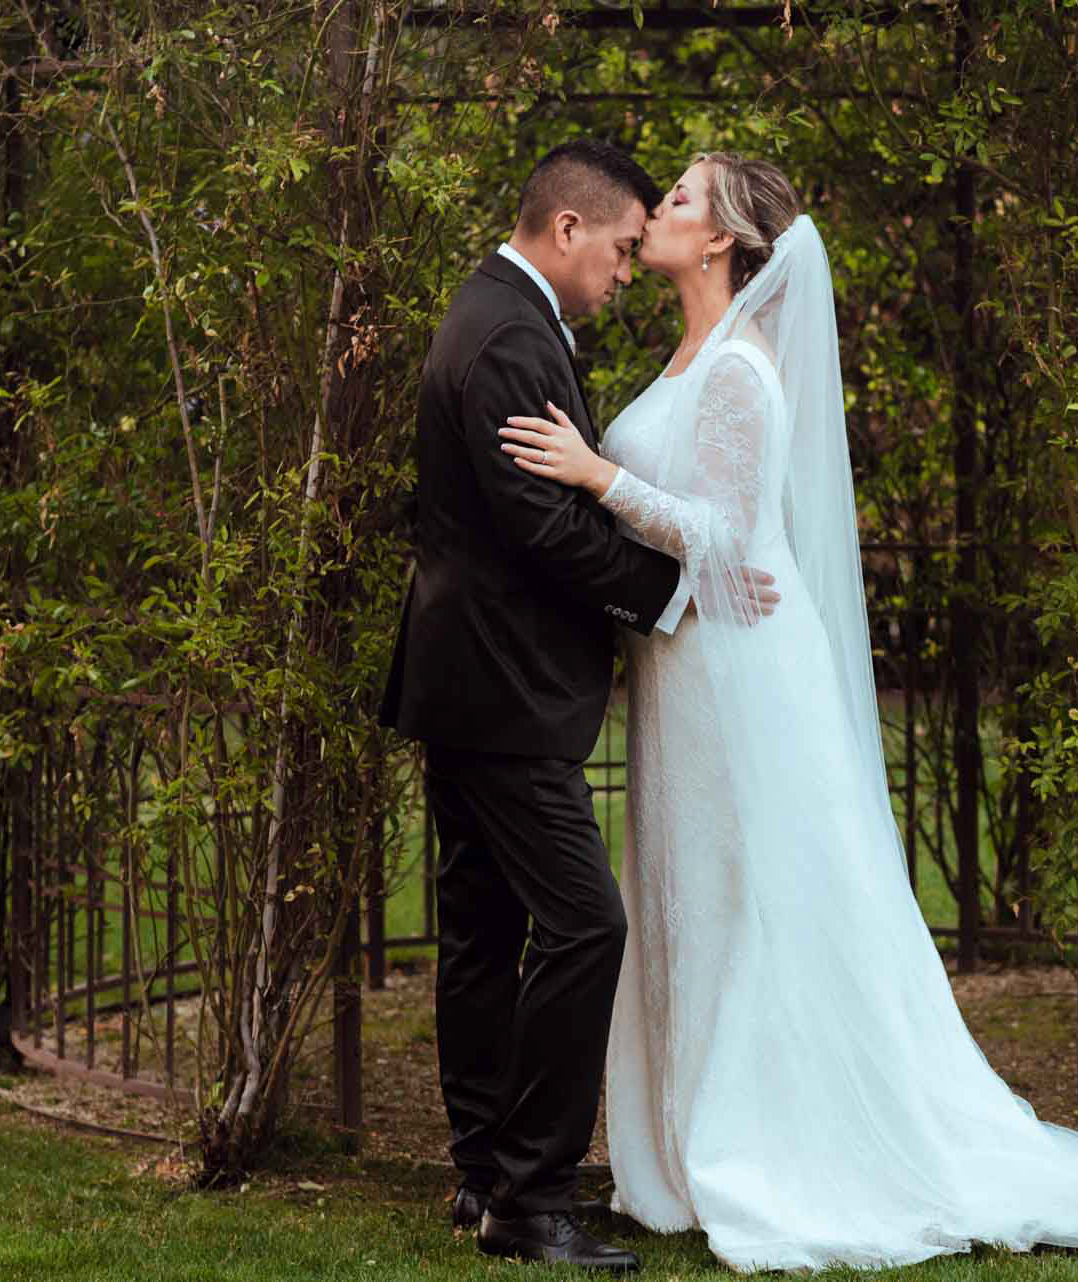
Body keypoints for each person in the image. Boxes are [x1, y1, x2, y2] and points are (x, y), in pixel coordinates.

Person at [496, 152, 1078, 1273]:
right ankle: (686, 1150)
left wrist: (597, 478)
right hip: (690, 671)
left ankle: (777, 1145)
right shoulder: (689, 354)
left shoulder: (739, 366)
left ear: (727, 240)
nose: (655, 220)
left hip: (743, 682)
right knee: (697, 896)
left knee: (761, 910)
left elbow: (732, 537)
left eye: (680, 201)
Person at [378, 138, 778, 1275]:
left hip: (470, 682)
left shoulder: (501, 313)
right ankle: (531, 1197)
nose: (620, 268)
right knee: (585, 922)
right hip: (500, 690)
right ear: (564, 232)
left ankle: (483, 1171)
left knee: (483, 926)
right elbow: (541, 528)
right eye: (611, 246)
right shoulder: (509, 334)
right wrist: (671, 596)